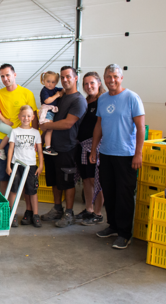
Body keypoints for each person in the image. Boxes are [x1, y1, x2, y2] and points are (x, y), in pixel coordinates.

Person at [89, 64, 145, 249]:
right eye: (108, 77)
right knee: (110, 193)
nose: (111, 80)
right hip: (106, 153)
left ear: (121, 78)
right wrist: (94, 150)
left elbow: (140, 128)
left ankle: (124, 233)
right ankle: (112, 226)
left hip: (126, 155)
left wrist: (138, 153)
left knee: (124, 195)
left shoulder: (132, 98)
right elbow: (99, 125)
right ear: (103, 79)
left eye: (115, 76)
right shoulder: (103, 99)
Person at [0, 63, 38, 225]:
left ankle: (29, 211)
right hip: (3, 140)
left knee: (25, 179)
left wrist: (35, 142)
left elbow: (33, 117)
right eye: (2, 76)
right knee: (4, 176)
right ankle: (8, 210)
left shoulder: (26, 93)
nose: (5, 79)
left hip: (24, 142)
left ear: (14, 74)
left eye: (8, 75)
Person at [40, 66, 87, 228]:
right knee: (54, 180)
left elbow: (68, 123)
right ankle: (57, 208)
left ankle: (69, 212)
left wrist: (47, 126)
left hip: (67, 147)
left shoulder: (78, 100)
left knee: (67, 182)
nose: (65, 79)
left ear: (75, 78)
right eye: (63, 77)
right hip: (51, 147)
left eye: (69, 76)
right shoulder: (59, 95)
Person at [75, 72, 106, 225]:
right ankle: (89, 209)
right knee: (86, 180)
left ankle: (98, 213)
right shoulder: (85, 101)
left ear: (99, 83)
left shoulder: (103, 100)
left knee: (96, 181)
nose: (89, 86)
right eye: (86, 84)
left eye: (92, 83)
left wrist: (94, 149)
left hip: (95, 147)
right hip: (82, 147)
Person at [6, 105, 43, 227]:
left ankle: (35, 215)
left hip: (31, 166)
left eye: (28, 116)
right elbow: (11, 149)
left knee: (32, 191)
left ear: (32, 117)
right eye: (23, 115)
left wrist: (41, 164)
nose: (26, 118)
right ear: (19, 117)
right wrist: (8, 165)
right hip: (16, 165)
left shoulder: (36, 133)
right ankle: (13, 214)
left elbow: (40, 151)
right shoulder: (14, 131)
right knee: (14, 190)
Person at [38, 71, 64, 156]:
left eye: (53, 82)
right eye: (48, 81)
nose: (50, 84)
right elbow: (47, 101)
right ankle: (48, 147)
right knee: (49, 129)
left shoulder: (55, 89)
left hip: (51, 112)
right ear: (43, 81)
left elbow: (64, 90)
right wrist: (56, 95)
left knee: (48, 130)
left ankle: (42, 144)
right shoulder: (44, 90)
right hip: (46, 111)